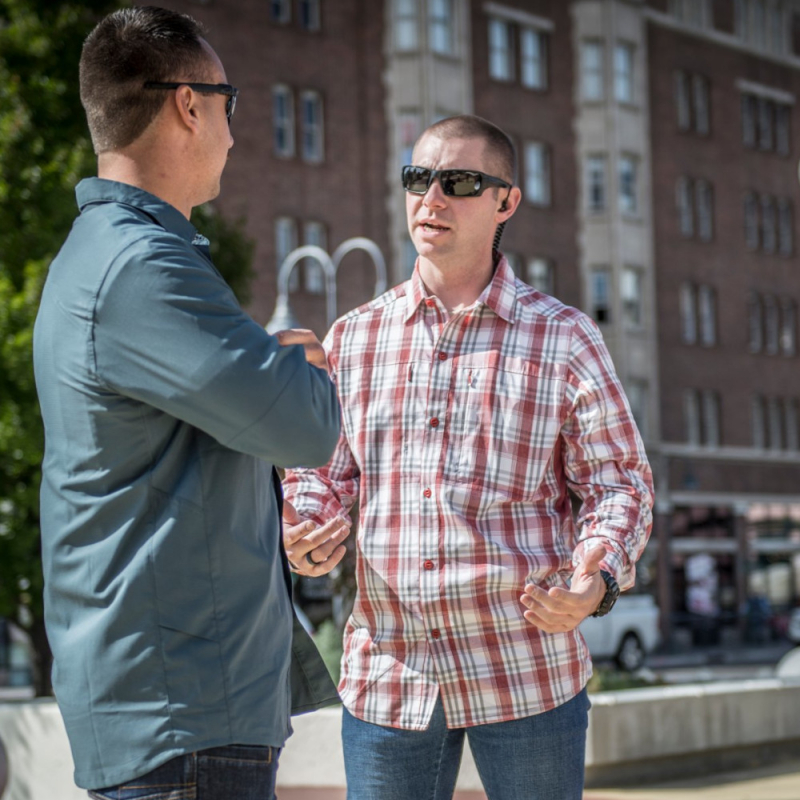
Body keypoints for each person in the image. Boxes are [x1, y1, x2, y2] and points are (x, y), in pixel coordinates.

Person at [282, 114, 654, 800]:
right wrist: (308, 531)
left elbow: (618, 484)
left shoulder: (565, 338)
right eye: (419, 178)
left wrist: (594, 582)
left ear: (506, 202)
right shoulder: (354, 338)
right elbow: (319, 474)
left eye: (460, 181)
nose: (433, 198)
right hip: (392, 676)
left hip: (524, 667)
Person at [33, 7, 341, 799]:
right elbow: (304, 425)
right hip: (183, 717)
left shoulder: (106, 255)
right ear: (188, 104)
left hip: (174, 708)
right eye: (229, 103)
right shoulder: (143, 270)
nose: (234, 134)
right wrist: (297, 364)